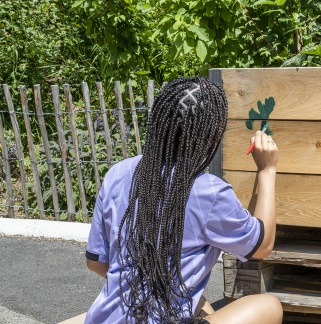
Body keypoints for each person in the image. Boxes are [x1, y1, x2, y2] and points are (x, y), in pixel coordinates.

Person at [76, 76, 282, 323]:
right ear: (211, 137)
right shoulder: (208, 192)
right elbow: (262, 246)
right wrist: (267, 170)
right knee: (268, 306)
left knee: (203, 306)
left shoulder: (117, 174)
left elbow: (96, 263)